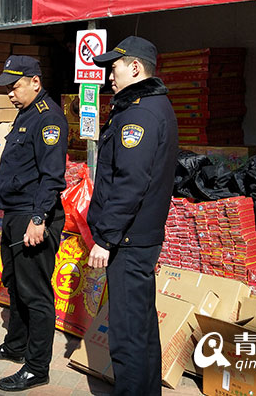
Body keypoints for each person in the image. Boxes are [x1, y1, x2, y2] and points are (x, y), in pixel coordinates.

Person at [85, 36, 178, 396]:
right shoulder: (151, 106)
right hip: (137, 235)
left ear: (135, 68)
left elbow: (130, 182)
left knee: (127, 335)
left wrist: (106, 237)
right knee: (141, 327)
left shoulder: (140, 114)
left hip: (127, 239)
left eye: (115, 67)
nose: (110, 76)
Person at [0, 55, 68, 392]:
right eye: (7, 88)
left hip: (33, 216)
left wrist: (38, 219)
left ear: (35, 81)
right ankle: (15, 345)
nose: (10, 94)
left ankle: (36, 367)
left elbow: (52, 176)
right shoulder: (26, 114)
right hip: (15, 214)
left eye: (14, 86)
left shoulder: (49, 119)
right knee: (15, 285)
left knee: (36, 293)